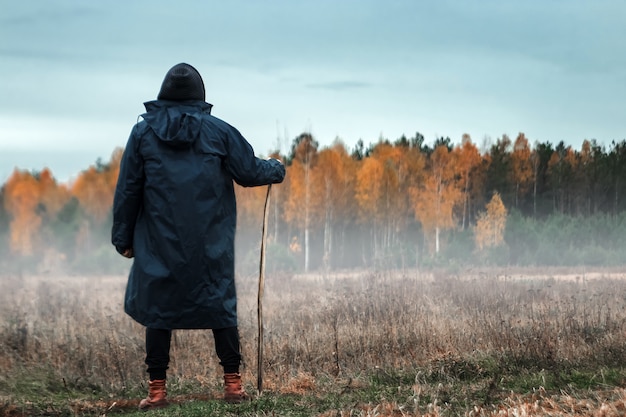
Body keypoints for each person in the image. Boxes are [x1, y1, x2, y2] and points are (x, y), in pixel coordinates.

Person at [111, 63, 285, 410]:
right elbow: (250, 171)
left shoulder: (142, 135)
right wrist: (276, 168)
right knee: (219, 306)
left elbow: (128, 190)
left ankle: (157, 392)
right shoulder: (219, 132)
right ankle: (233, 387)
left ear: (163, 94)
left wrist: (123, 238)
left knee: (158, 311)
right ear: (200, 96)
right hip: (210, 245)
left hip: (158, 244)